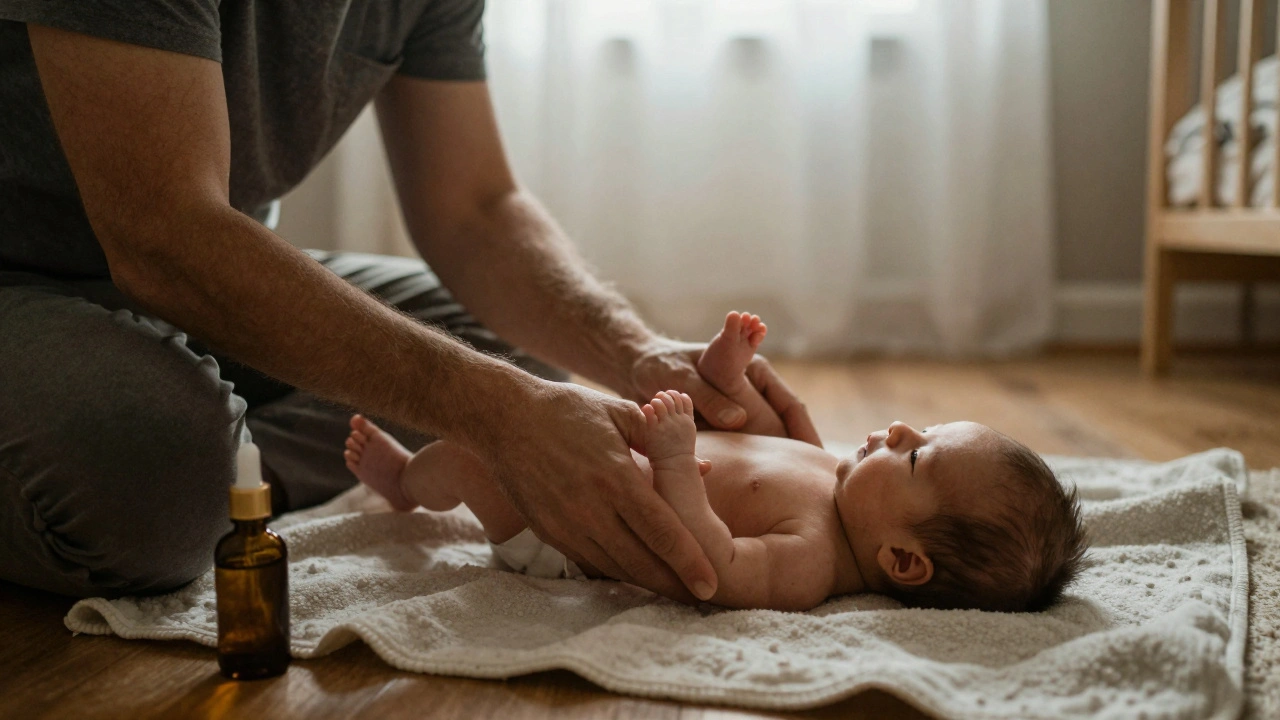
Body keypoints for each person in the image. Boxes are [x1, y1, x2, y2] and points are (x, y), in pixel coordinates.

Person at [0, 2, 820, 602]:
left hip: (187, 272)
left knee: (502, 358)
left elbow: (475, 210)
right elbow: (164, 233)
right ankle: (198, 452)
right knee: (156, 477)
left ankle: (234, 460)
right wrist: (498, 415)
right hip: (37, 275)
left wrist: (635, 353)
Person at [347, 312, 1088, 612]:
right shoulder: (833, 474)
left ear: (902, 561)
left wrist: (675, 466)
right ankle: (415, 476)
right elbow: (752, 428)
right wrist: (728, 372)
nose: (898, 429)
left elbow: (715, 569)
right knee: (533, 401)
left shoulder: (812, 561)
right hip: (600, 459)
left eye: (918, 457)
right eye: (920, 429)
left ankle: (410, 483)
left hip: (567, 531)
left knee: (473, 456)